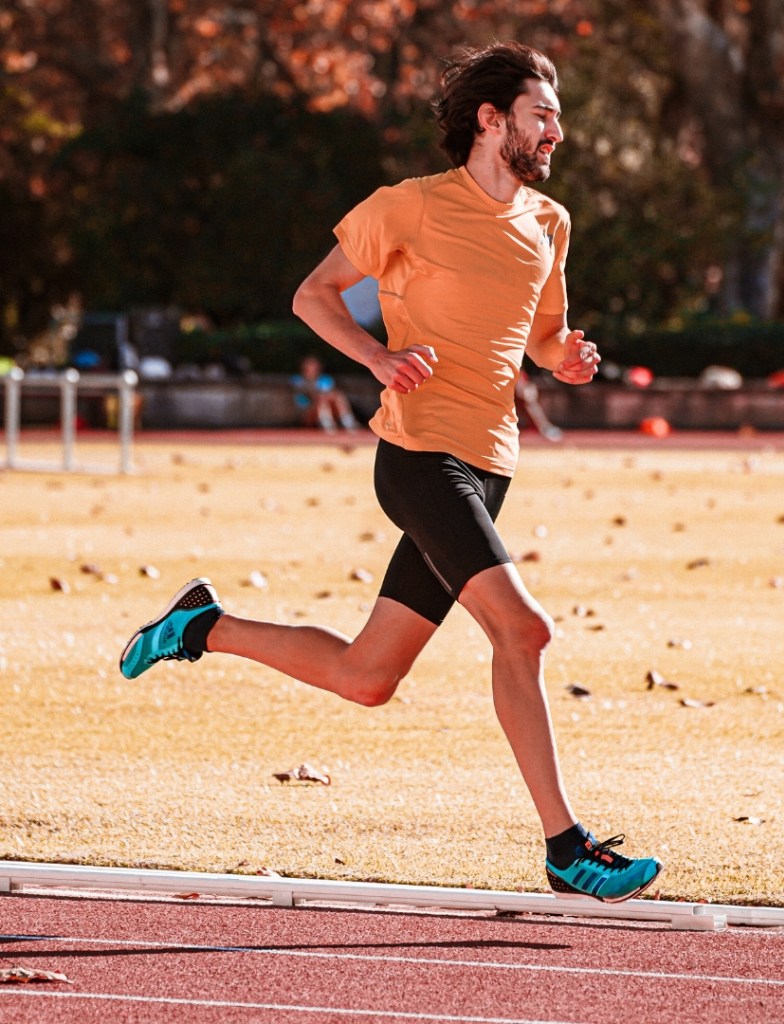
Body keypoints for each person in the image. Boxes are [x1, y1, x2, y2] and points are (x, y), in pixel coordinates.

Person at [119, 41, 662, 904]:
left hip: (491, 465)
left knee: (367, 678)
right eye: (542, 113)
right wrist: (377, 358)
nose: (557, 129)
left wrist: (570, 360)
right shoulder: (408, 207)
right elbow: (313, 295)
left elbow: (544, 336)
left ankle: (200, 627)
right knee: (525, 632)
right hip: (419, 458)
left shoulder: (549, 223)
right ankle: (567, 848)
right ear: (493, 121)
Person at [292, 354, 358, 432]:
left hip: (327, 408)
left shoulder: (325, 379)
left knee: (337, 396)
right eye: (310, 366)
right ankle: (327, 423)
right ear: (304, 367)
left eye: (314, 367)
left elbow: (329, 393)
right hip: (307, 413)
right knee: (322, 399)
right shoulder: (297, 380)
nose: (312, 369)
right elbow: (307, 397)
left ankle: (347, 421)